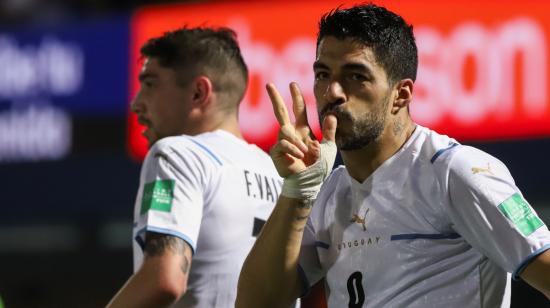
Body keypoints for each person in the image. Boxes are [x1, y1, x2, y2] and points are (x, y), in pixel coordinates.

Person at [236, 4, 550, 307]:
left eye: (355, 76)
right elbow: (256, 303)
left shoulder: (456, 172)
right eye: (322, 74)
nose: (332, 92)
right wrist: (297, 191)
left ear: (401, 94)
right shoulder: (328, 193)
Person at [107, 27, 281, 308]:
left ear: (199, 92)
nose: (136, 103)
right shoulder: (281, 176)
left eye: (150, 84)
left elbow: (165, 279)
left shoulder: (176, 154)